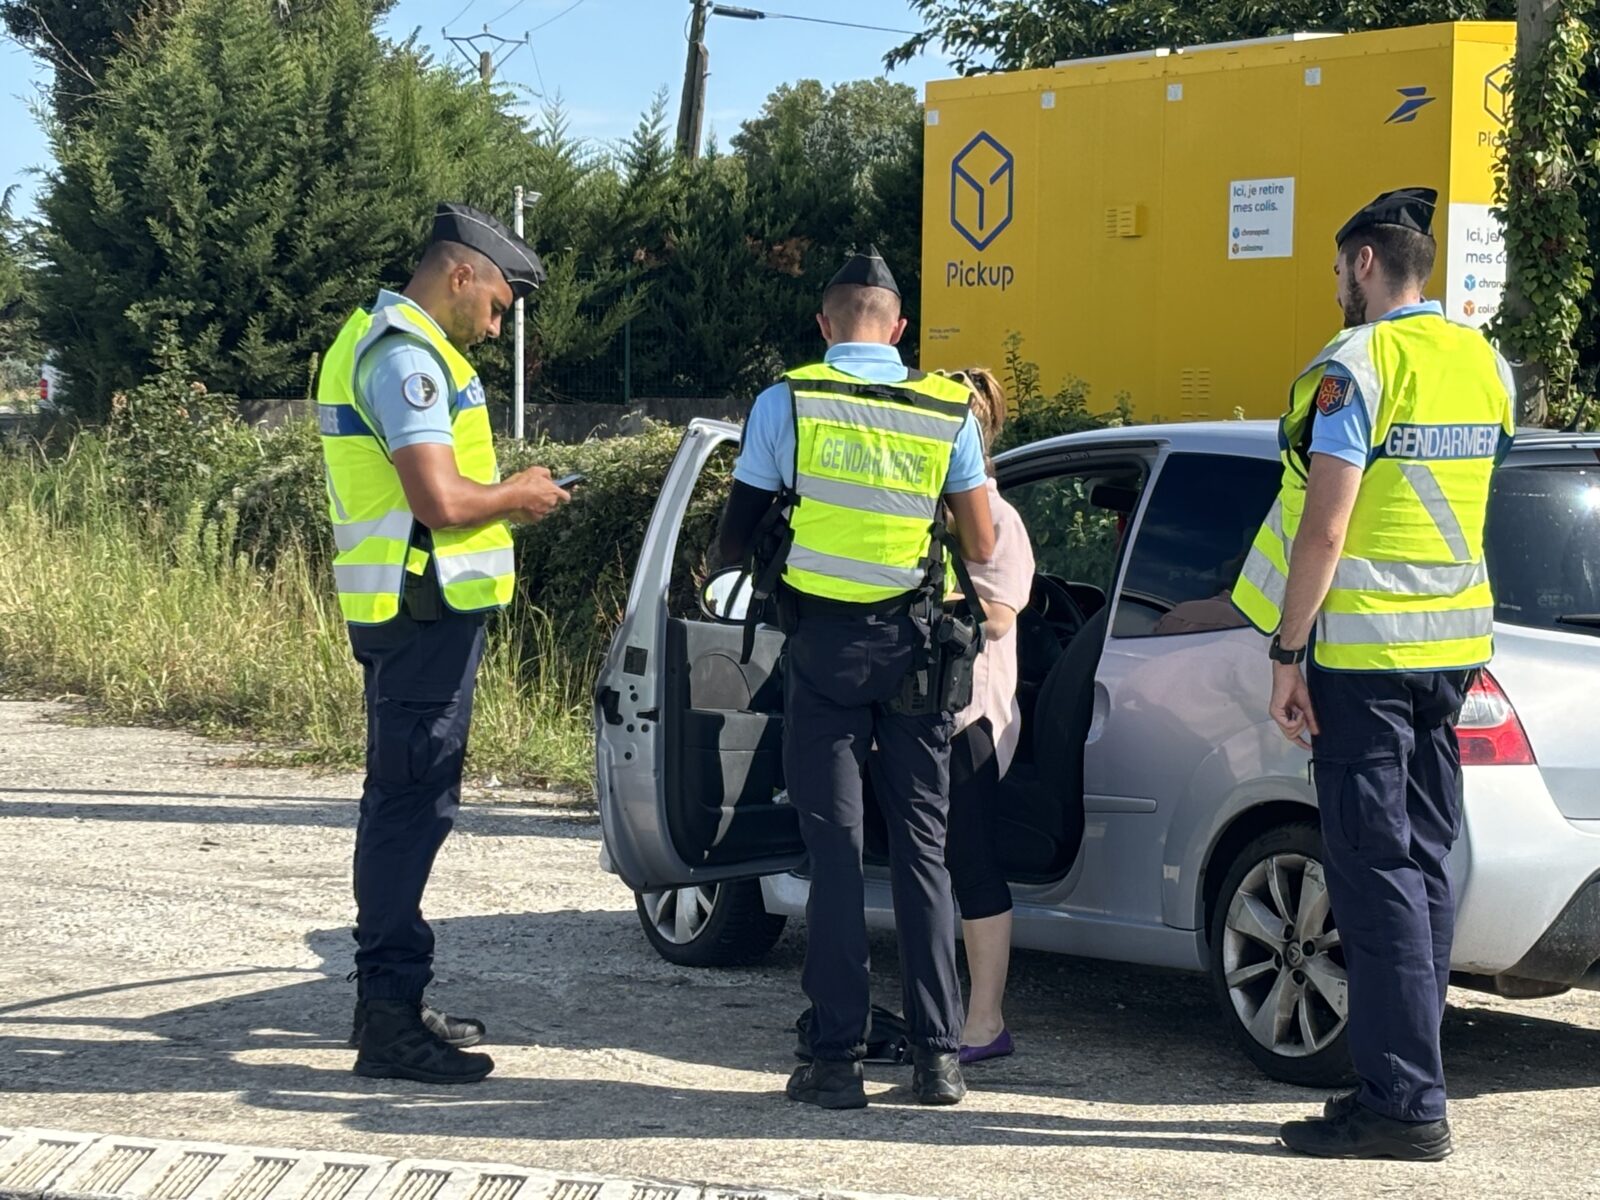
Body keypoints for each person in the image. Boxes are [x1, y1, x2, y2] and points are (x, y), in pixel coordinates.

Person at [1232, 187, 1516, 1160]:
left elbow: (1325, 524)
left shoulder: (1354, 366)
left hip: (1365, 661)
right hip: (1451, 655)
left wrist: (1284, 649)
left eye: (1335, 272)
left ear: (1361, 264)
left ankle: (1402, 1103)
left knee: (1374, 870)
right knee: (1423, 865)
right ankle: (1414, 1079)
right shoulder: (1485, 364)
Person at [717, 246, 996, 1110]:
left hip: (823, 655)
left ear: (825, 324)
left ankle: (835, 1061)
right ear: (900, 328)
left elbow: (735, 538)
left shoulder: (787, 401)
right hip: (917, 656)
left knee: (834, 854)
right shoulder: (949, 407)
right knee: (923, 854)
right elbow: (983, 546)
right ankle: (938, 1060)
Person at [318, 202, 572, 1085]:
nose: (500, 324)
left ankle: (383, 1005)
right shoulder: (406, 356)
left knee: (403, 801)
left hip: (413, 611)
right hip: (418, 612)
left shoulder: (393, 345)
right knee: (409, 809)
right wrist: (520, 493)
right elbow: (440, 501)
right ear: (459, 273)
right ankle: (389, 1018)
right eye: (499, 304)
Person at [935, 367, 1035, 1064]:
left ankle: (985, 1021)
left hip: (972, 712)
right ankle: (941, 1012)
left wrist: (945, 576)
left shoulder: (997, 517)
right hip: (925, 711)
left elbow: (999, 617)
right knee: (933, 863)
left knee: (971, 862)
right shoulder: (924, 507)